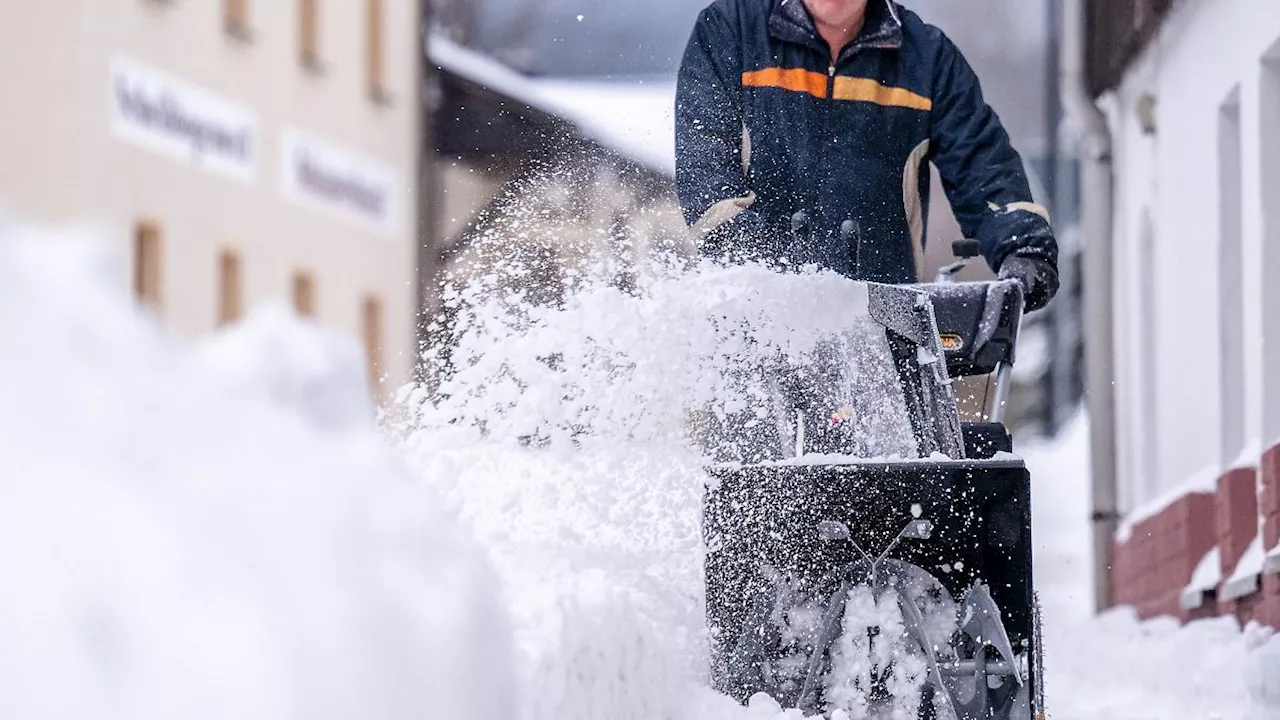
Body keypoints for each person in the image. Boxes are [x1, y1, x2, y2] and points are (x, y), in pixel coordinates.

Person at [675, 0, 1059, 311]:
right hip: (757, 328)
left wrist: (1021, 246)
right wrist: (775, 275)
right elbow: (707, 176)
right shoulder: (730, 32)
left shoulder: (926, 59)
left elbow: (981, 160)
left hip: (882, 333)